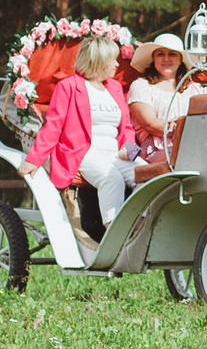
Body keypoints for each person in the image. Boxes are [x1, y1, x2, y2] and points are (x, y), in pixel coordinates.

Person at [23, 35, 131, 244]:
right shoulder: (68, 87)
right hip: (83, 150)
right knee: (112, 178)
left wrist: (129, 147)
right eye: (113, 60)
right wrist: (33, 159)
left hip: (115, 150)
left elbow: (126, 126)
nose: (117, 64)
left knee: (146, 174)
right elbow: (53, 126)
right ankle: (115, 238)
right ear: (98, 61)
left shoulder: (115, 88)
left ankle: (142, 230)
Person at [125, 33, 190, 182]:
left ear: (180, 59)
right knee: (185, 156)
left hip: (189, 144)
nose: (166, 59)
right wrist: (180, 125)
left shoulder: (192, 89)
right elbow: (150, 123)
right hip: (154, 149)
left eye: (172, 54)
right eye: (160, 54)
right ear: (153, 58)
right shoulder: (142, 86)